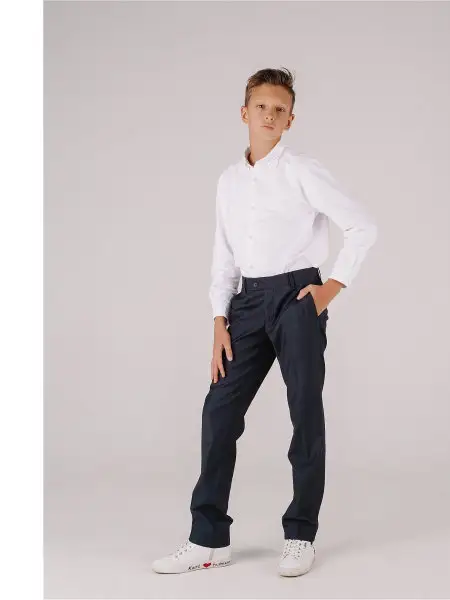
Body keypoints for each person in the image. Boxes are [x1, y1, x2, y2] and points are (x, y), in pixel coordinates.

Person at [152, 67, 378, 577]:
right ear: (244, 113)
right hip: (246, 303)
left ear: (290, 120)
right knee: (219, 412)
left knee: (305, 415)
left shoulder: (301, 170)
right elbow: (224, 254)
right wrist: (219, 318)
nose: (270, 116)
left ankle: (300, 535)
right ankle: (208, 539)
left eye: (280, 110)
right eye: (261, 107)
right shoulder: (228, 181)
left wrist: (328, 291)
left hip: (297, 299)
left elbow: (363, 226)